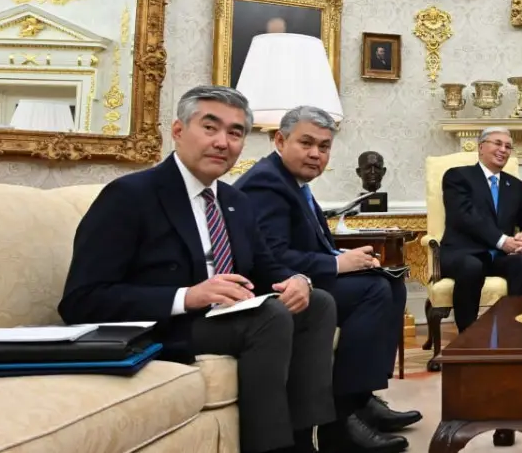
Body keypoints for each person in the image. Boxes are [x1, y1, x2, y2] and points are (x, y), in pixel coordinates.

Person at [59, 86, 336, 453]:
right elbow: (81, 300)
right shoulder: (130, 196)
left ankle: (308, 439)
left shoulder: (236, 201)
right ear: (178, 131)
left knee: (318, 303)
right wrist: (186, 297)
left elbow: (270, 268)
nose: (222, 142)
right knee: (269, 318)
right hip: (165, 326)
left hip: (226, 319)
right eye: (210, 127)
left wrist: (298, 280)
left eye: (235, 133)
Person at [235, 106, 416, 453]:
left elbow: (305, 244)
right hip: (276, 289)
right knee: (373, 290)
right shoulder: (266, 184)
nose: (316, 154)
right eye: (306, 143)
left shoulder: (291, 182)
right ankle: (342, 417)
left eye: (324, 146)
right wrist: (338, 264)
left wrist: (345, 257)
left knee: (390, 282)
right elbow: (271, 258)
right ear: (280, 140)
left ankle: (362, 399)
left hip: (305, 278)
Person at [438, 127, 522, 331]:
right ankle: (468, 338)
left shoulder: (514, 185)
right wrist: (503, 241)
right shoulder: (457, 176)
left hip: (498, 257)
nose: (503, 150)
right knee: (472, 267)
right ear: (481, 147)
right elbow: (465, 217)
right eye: (498, 143)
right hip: (463, 253)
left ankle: (513, 333)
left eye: (508, 146)